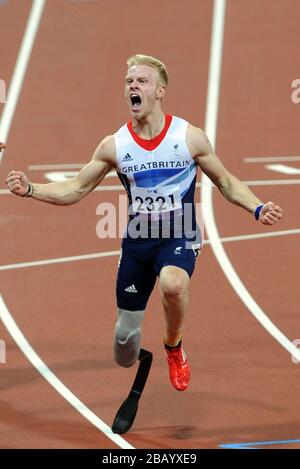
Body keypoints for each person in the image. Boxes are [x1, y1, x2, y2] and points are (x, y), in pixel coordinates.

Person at [4, 54, 283, 392]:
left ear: (160, 91)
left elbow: (225, 181)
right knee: (124, 347)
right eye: (128, 82)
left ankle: (173, 345)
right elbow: (75, 188)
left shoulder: (188, 137)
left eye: (142, 81)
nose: (133, 86)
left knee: (173, 284)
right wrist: (31, 189)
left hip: (179, 232)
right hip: (138, 240)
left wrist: (257, 207)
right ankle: (137, 347)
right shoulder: (115, 146)